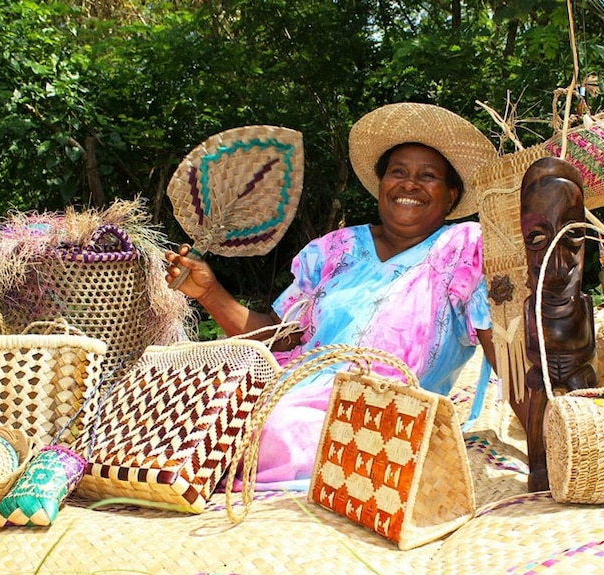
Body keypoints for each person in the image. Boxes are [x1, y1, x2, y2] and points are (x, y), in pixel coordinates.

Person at [166, 102, 498, 490]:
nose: (410, 185)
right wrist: (209, 292)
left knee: (274, 429)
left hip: (384, 418)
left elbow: (503, 345)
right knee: (195, 404)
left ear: (452, 195)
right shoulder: (334, 250)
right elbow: (280, 337)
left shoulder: (465, 248)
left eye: (428, 176)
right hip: (291, 393)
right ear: (382, 184)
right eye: (398, 173)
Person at [520, 156, 597, 492]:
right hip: (544, 370)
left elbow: (589, 343)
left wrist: (577, 366)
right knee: (536, 388)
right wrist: (544, 367)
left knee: (592, 400)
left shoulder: (583, 303)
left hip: (579, 369)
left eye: (573, 235)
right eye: (537, 238)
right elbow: (531, 348)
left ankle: (593, 462)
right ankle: (538, 468)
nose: (559, 263)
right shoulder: (529, 307)